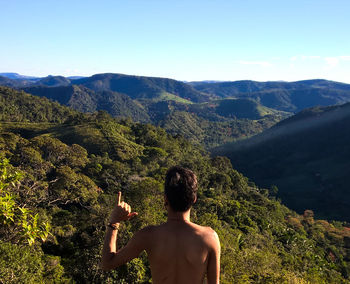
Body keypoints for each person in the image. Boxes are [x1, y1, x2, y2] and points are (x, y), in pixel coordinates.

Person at [101, 166, 221, 284]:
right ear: (194, 199)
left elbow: (107, 263)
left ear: (165, 199)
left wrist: (114, 222)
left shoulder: (148, 235)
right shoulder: (209, 238)